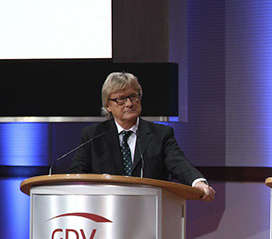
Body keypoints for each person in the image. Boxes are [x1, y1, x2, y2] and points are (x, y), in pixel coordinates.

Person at [69, 72, 215, 201]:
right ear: (108, 105)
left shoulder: (161, 134)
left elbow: (178, 162)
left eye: (133, 96)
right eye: (121, 99)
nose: (129, 104)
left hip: (150, 210)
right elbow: (76, 172)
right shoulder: (93, 136)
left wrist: (197, 182)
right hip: (104, 209)